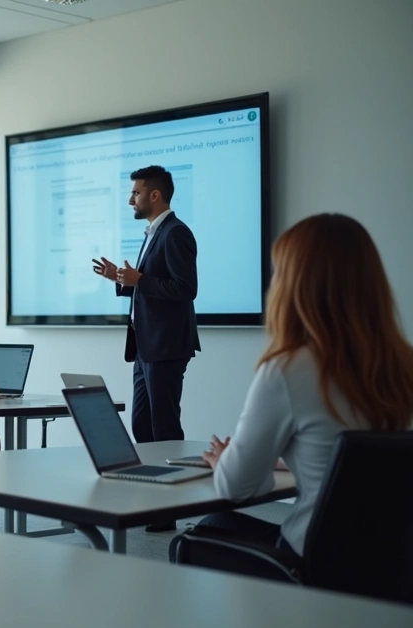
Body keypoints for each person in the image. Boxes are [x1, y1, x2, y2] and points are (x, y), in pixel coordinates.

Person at [196, 213, 413, 559]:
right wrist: (292, 457)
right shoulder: (403, 363)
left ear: (296, 285)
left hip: (316, 563)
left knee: (208, 528)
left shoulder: (287, 369)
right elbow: (362, 457)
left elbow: (236, 487)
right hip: (394, 567)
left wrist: (229, 461)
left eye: (278, 272)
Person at [92, 165, 198, 532]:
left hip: (167, 345)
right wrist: (122, 281)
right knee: (142, 424)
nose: (130, 199)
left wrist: (140, 279)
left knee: (165, 427)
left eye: (135, 192)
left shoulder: (175, 233)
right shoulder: (154, 232)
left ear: (155, 195)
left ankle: (168, 509)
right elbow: (149, 284)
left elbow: (185, 289)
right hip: (144, 346)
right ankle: (155, 501)